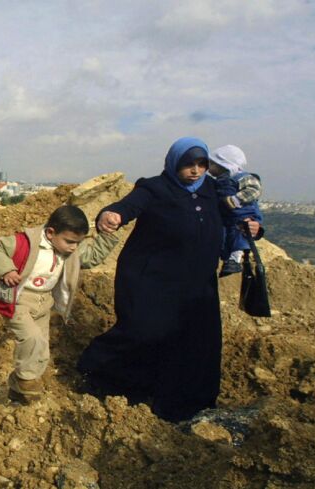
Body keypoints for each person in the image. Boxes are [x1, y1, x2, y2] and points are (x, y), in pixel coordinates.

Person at [76, 137, 261, 422]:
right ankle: (100, 374)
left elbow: (239, 215)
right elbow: (128, 206)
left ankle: (184, 406)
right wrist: (111, 215)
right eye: (189, 164)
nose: (196, 171)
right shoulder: (154, 187)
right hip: (151, 280)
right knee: (143, 332)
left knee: (197, 343)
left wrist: (254, 228)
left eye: (202, 164)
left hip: (197, 286)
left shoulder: (214, 189)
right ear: (175, 163)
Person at [0, 204, 120, 403]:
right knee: (32, 340)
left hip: (44, 302)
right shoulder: (25, 243)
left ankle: (18, 392)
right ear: (50, 232)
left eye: (77, 242)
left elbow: (91, 258)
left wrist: (106, 237)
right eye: (69, 241)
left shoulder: (70, 250)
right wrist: (7, 270)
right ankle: (26, 380)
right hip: (19, 300)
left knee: (42, 350)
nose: (74, 247)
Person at [207, 145, 264, 277]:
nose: (209, 167)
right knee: (225, 236)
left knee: (238, 235)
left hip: (242, 214)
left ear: (224, 164)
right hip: (228, 217)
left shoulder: (242, 177)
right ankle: (228, 260)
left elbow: (254, 190)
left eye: (212, 164)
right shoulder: (219, 181)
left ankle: (235, 259)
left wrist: (235, 200)